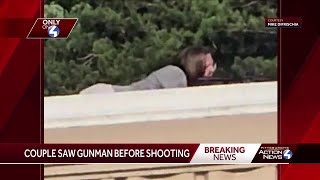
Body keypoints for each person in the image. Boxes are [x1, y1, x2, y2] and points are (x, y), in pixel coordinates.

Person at [79, 46, 217, 94]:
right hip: (108, 94)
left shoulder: (176, 74)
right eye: (209, 64)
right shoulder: (177, 74)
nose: (212, 69)